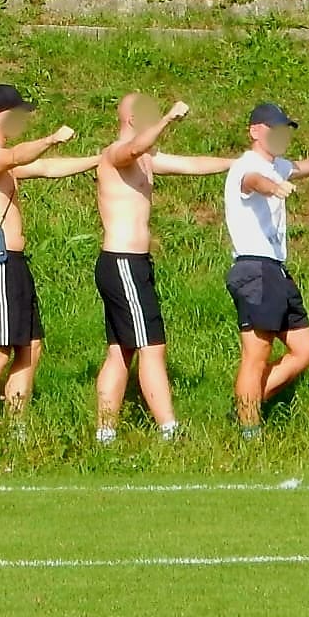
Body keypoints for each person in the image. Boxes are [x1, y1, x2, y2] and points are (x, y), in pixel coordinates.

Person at [92, 94, 235, 444]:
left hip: (132, 264)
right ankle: (169, 429)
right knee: (151, 347)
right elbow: (135, 148)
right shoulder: (117, 154)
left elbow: (192, 164)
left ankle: (105, 433)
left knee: (120, 350)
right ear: (131, 118)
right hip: (122, 263)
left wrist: (239, 161)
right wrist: (168, 119)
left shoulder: (147, 160)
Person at [0, 84, 95, 437]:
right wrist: (51, 138)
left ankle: (17, 430)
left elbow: (47, 168)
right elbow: (17, 157)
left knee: (30, 346)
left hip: (14, 265)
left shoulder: (3, 160)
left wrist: (100, 158)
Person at [224, 102, 309, 437]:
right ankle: (249, 427)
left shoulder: (278, 165)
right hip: (254, 267)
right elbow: (254, 182)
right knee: (257, 352)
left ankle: (247, 404)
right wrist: (274, 187)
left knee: (306, 349)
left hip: (275, 269)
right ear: (255, 131)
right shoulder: (247, 166)